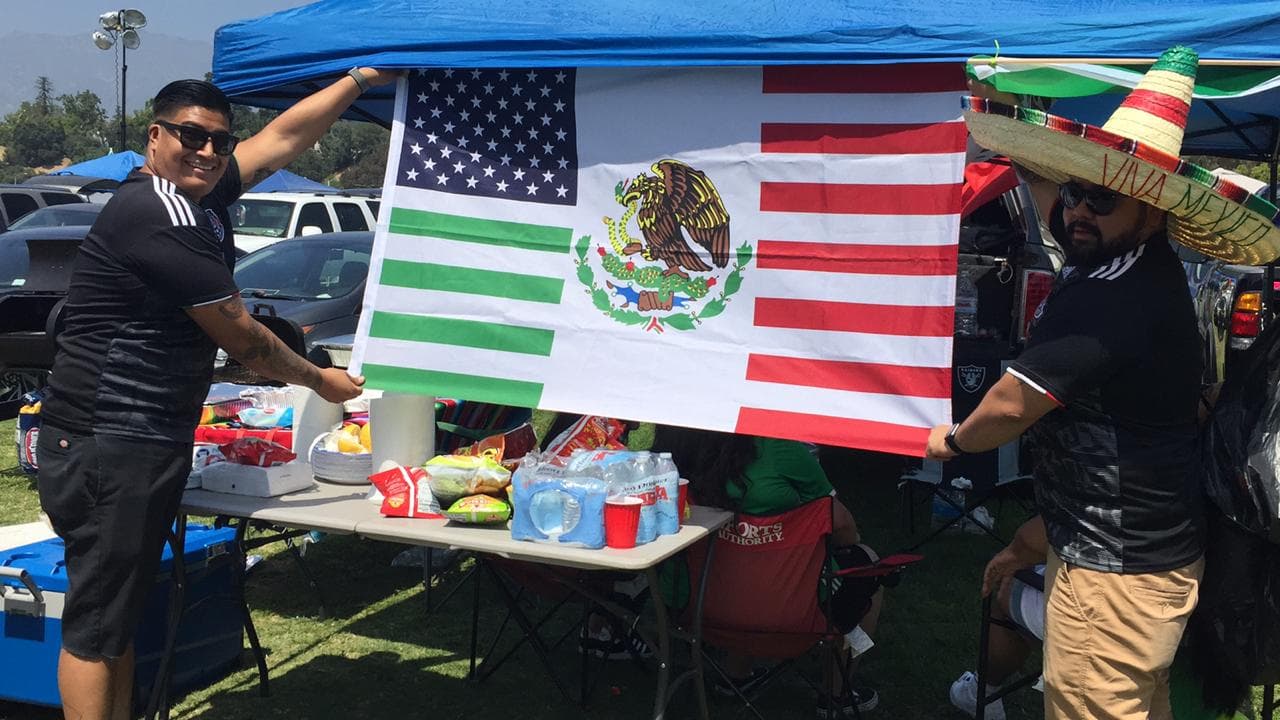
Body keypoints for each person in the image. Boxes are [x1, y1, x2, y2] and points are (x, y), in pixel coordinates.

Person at [925, 45, 1280, 720]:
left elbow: (1011, 405)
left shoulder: (1111, 297)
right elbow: (1052, 197)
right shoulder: (1127, 257)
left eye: (1103, 197)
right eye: (1078, 191)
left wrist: (953, 441)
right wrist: (1006, 120)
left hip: (1117, 573)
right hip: (1139, 554)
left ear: (1155, 209)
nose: (1080, 211)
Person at [35, 68, 396, 720]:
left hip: (134, 438)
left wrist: (358, 80)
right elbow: (246, 339)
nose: (207, 152)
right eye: (191, 136)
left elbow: (281, 140)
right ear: (155, 136)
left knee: (116, 615)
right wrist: (323, 380)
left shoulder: (194, 193)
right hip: (109, 439)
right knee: (96, 623)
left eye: (220, 142)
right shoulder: (161, 213)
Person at [654, 425, 883, 716]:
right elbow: (841, 523)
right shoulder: (780, 449)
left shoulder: (680, 447)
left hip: (694, 607)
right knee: (869, 567)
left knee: (740, 568)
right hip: (793, 612)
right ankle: (836, 694)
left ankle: (734, 675)